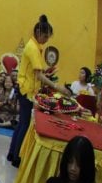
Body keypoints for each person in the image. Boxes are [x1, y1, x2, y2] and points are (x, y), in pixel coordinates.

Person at [7, 15, 72, 167]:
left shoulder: (34, 46)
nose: (46, 40)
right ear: (38, 32)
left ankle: (12, 153)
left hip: (26, 88)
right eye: (45, 36)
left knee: (21, 123)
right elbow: (38, 75)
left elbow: (37, 73)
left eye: (48, 37)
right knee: (23, 124)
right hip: (26, 90)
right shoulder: (33, 48)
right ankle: (17, 157)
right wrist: (58, 87)